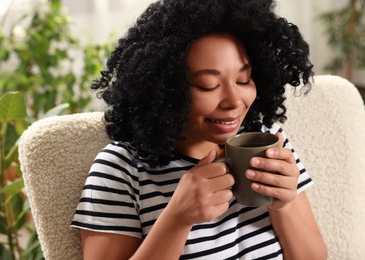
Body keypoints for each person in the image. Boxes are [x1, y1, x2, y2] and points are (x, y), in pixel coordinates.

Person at [71, 0, 327, 259]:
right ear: (164, 88)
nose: (234, 102)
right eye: (207, 85)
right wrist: (177, 219)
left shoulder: (267, 141)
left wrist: (284, 205)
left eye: (243, 80)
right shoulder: (122, 169)